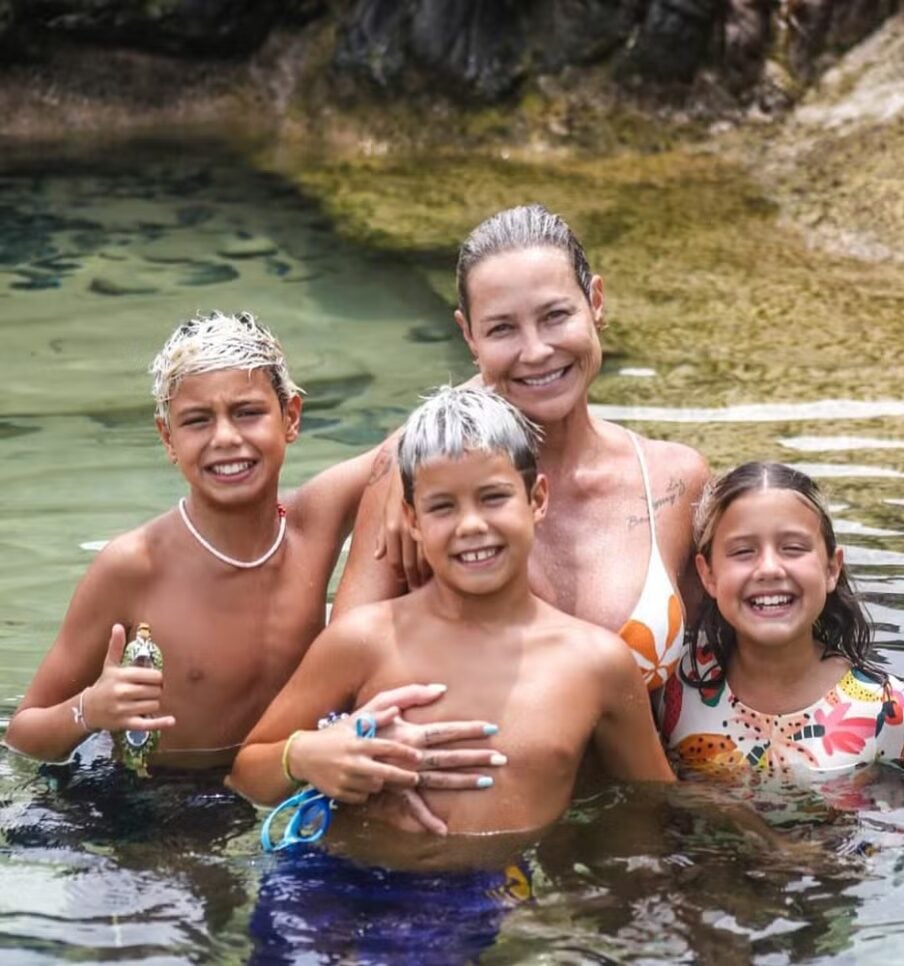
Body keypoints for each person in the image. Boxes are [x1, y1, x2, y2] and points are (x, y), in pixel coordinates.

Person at [4, 312, 497, 782]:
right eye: (197, 420)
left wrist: (511, 362)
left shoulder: (313, 521)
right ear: (167, 438)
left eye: (247, 413)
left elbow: (410, 437)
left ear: (291, 417)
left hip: (277, 778)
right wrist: (89, 710)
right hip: (144, 797)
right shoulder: (134, 565)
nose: (226, 438)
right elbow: (23, 733)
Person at [228, 385, 674, 856]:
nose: (471, 526)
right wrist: (305, 755)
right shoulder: (363, 641)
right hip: (332, 886)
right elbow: (246, 775)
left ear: (537, 499)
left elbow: (649, 803)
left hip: (494, 898)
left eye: (493, 498)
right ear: (411, 519)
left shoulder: (596, 664)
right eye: (443, 506)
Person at [334, 203, 709, 693]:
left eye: (555, 316)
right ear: (469, 335)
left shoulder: (673, 480)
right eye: (502, 329)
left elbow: (716, 685)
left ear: (595, 301)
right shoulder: (416, 477)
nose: (535, 351)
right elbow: (339, 683)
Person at [660, 461, 904, 774]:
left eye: (793, 548)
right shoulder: (675, 689)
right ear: (708, 574)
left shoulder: (888, 709)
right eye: (743, 551)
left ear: (831, 569)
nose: (769, 568)